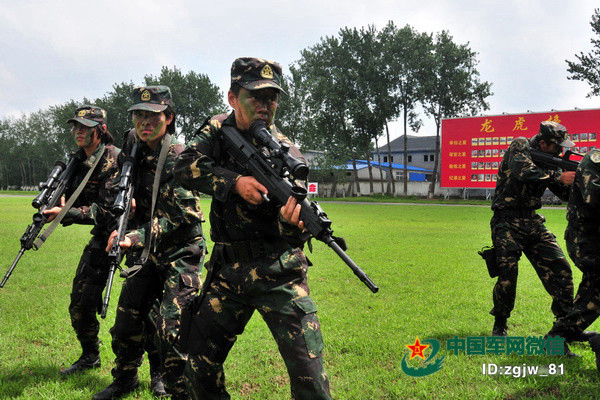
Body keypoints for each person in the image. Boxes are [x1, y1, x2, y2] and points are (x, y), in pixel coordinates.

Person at [174, 57, 331, 400]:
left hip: (278, 271)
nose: (265, 105)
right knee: (199, 366)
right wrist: (234, 182)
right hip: (228, 269)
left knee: (310, 377)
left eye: (272, 98)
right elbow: (183, 166)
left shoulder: (287, 150)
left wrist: (292, 225)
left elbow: (295, 228)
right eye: (255, 97)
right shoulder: (217, 129)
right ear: (232, 97)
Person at [92, 86, 204, 400]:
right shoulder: (133, 147)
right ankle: (124, 379)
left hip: (181, 250)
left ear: (168, 118)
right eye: (139, 115)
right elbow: (119, 186)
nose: (145, 122)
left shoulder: (178, 157)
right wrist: (121, 209)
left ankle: (177, 387)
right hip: (145, 252)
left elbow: (179, 218)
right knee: (126, 323)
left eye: (152, 116)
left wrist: (134, 236)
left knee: (171, 327)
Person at [43, 105, 122, 376]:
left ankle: (159, 373)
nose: (78, 131)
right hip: (103, 238)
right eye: (75, 126)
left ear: (100, 130)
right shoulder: (77, 159)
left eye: (85, 127)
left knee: (143, 309)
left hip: (131, 234)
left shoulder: (114, 160)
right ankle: (90, 356)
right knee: (81, 301)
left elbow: (108, 210)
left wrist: (67, 212)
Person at [489, 121, 577, 338]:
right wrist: (557, 176)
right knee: (508, 275)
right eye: (558, 147)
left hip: (533, 221)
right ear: (544, 143)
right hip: (506, 221)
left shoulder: (549, 165)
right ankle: (500, 324)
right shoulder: (520, 146)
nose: (561, 151)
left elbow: (563, 194)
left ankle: (563, 329)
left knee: (561, 269)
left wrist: (576, 181)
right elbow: (522, 170)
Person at [545, 149, 600, 358]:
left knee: (592, 292)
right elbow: (593, 199)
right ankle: (558, 336)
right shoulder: (594, 161)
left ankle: (558, 337)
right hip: (587, 241)